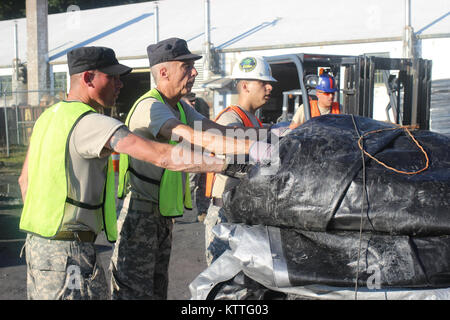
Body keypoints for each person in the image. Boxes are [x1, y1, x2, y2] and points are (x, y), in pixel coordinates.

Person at [17, 46, 229, 300]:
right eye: (112, 77)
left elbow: (24, 181)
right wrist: (225, 165)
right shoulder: (92, 122)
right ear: (88, 78)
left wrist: (47, 227)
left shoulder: (47, 117)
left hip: (39, 246)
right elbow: (161, 155)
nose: (120, 84)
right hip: (68, 251)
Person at [109, 38, 271, 300]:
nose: (194, 72)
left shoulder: (180, 106)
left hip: (161, 217)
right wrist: (248, 151)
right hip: (139, 215)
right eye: (186, 66)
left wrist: (268, 136)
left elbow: (218, 130)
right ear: (163, 72)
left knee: (156, 290)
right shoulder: (151, 107)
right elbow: (194, 136)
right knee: (135, 293)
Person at [203, 55, 277, 265]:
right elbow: (234, 162)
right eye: (263, 83)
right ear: (245, 86)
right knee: (222, 280)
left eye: (269, 83)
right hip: (225, 214)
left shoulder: (253, 119)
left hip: (242, 212)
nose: (269, 88)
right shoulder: (230, 119)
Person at [182, 93, 212, 223]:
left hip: (203, 152)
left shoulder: (199, 114)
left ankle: (202, 211)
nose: (193, 103)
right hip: (190, 154)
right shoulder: (182, 115)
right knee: (190, 184)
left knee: (203, 185)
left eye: (194, 101)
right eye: (190, 101)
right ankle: (172, 211)